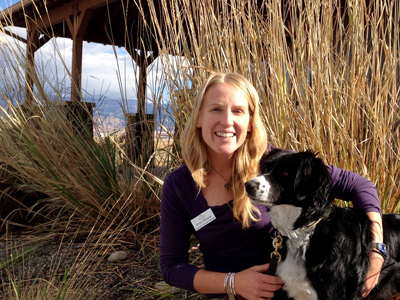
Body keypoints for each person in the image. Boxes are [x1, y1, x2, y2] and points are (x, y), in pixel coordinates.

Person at [159, 72, 384, 300]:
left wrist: (376, 250)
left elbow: (359, 185)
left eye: (238, 111)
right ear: (198, 118)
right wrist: (233, 283)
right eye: (216, 109)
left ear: (249, 122)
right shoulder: (179, 186)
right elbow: (172, 268)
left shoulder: (275, 165)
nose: (227, 121)